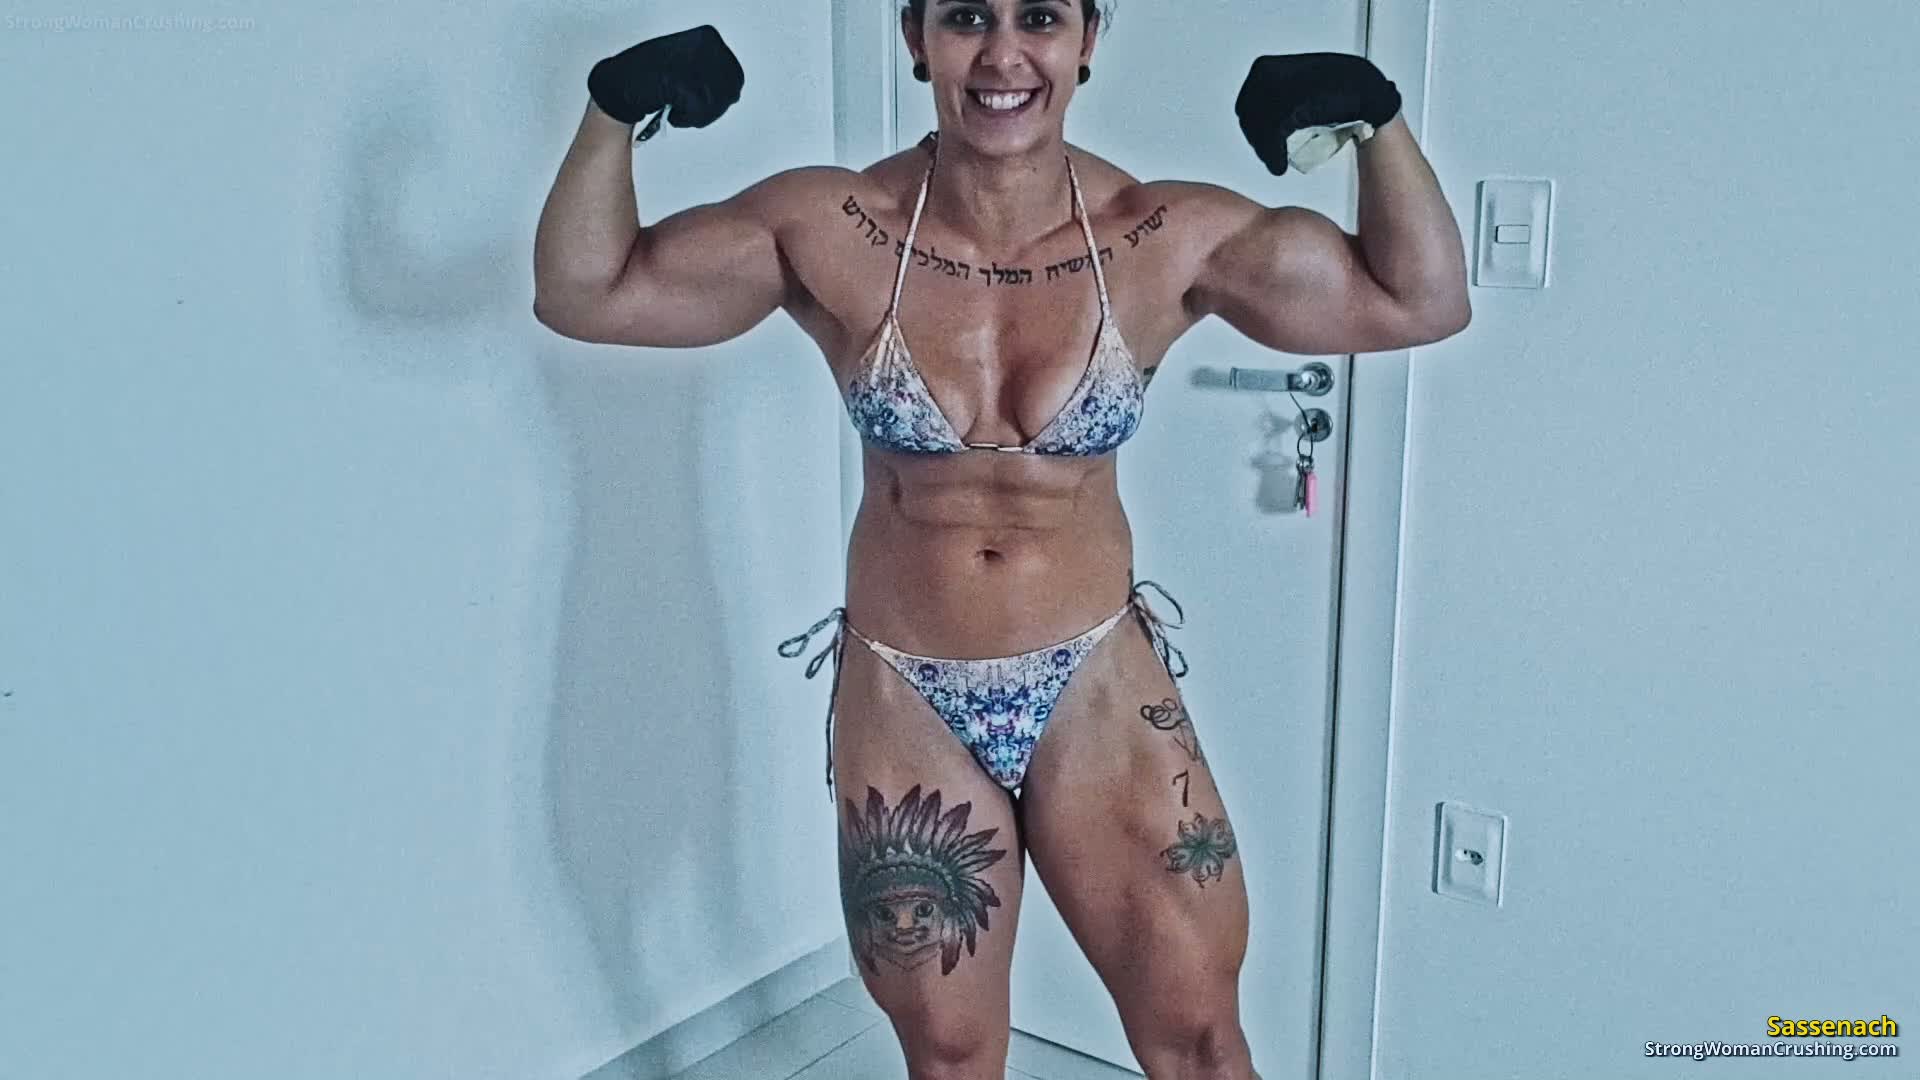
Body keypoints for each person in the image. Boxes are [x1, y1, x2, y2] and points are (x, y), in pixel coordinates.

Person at [533, 4, 1469, 1076]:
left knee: (1201, 1043)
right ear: (916, 36)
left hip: (1097, 684)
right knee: (950, 1056)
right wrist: (611, 114)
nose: (1004, 54)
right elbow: (586, 293)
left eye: (1041, 17)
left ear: (1088, 39)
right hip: (906, 693)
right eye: (968, 16)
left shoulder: (1161, 235)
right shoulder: (830, 225)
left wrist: (1379, 125)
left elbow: (1420, 300)